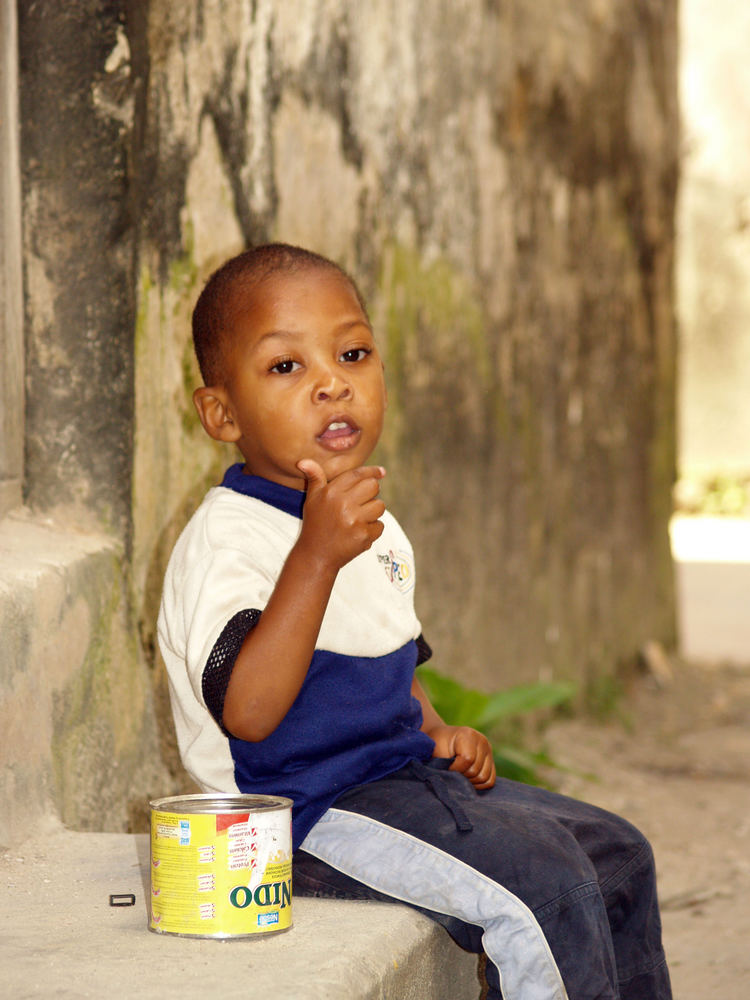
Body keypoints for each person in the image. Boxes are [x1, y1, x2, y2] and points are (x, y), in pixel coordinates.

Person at [157, 242, 672, 1000]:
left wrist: (435, 731)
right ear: (221, 412)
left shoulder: (371, 523)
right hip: (300, 815)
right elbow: (252, 713)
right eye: (286, 367)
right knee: (546, 889)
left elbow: (392, 658)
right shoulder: (228, 541)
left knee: (618, 852)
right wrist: (316, 559)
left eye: (353, 353)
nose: (332, 384)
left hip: (401, 779)